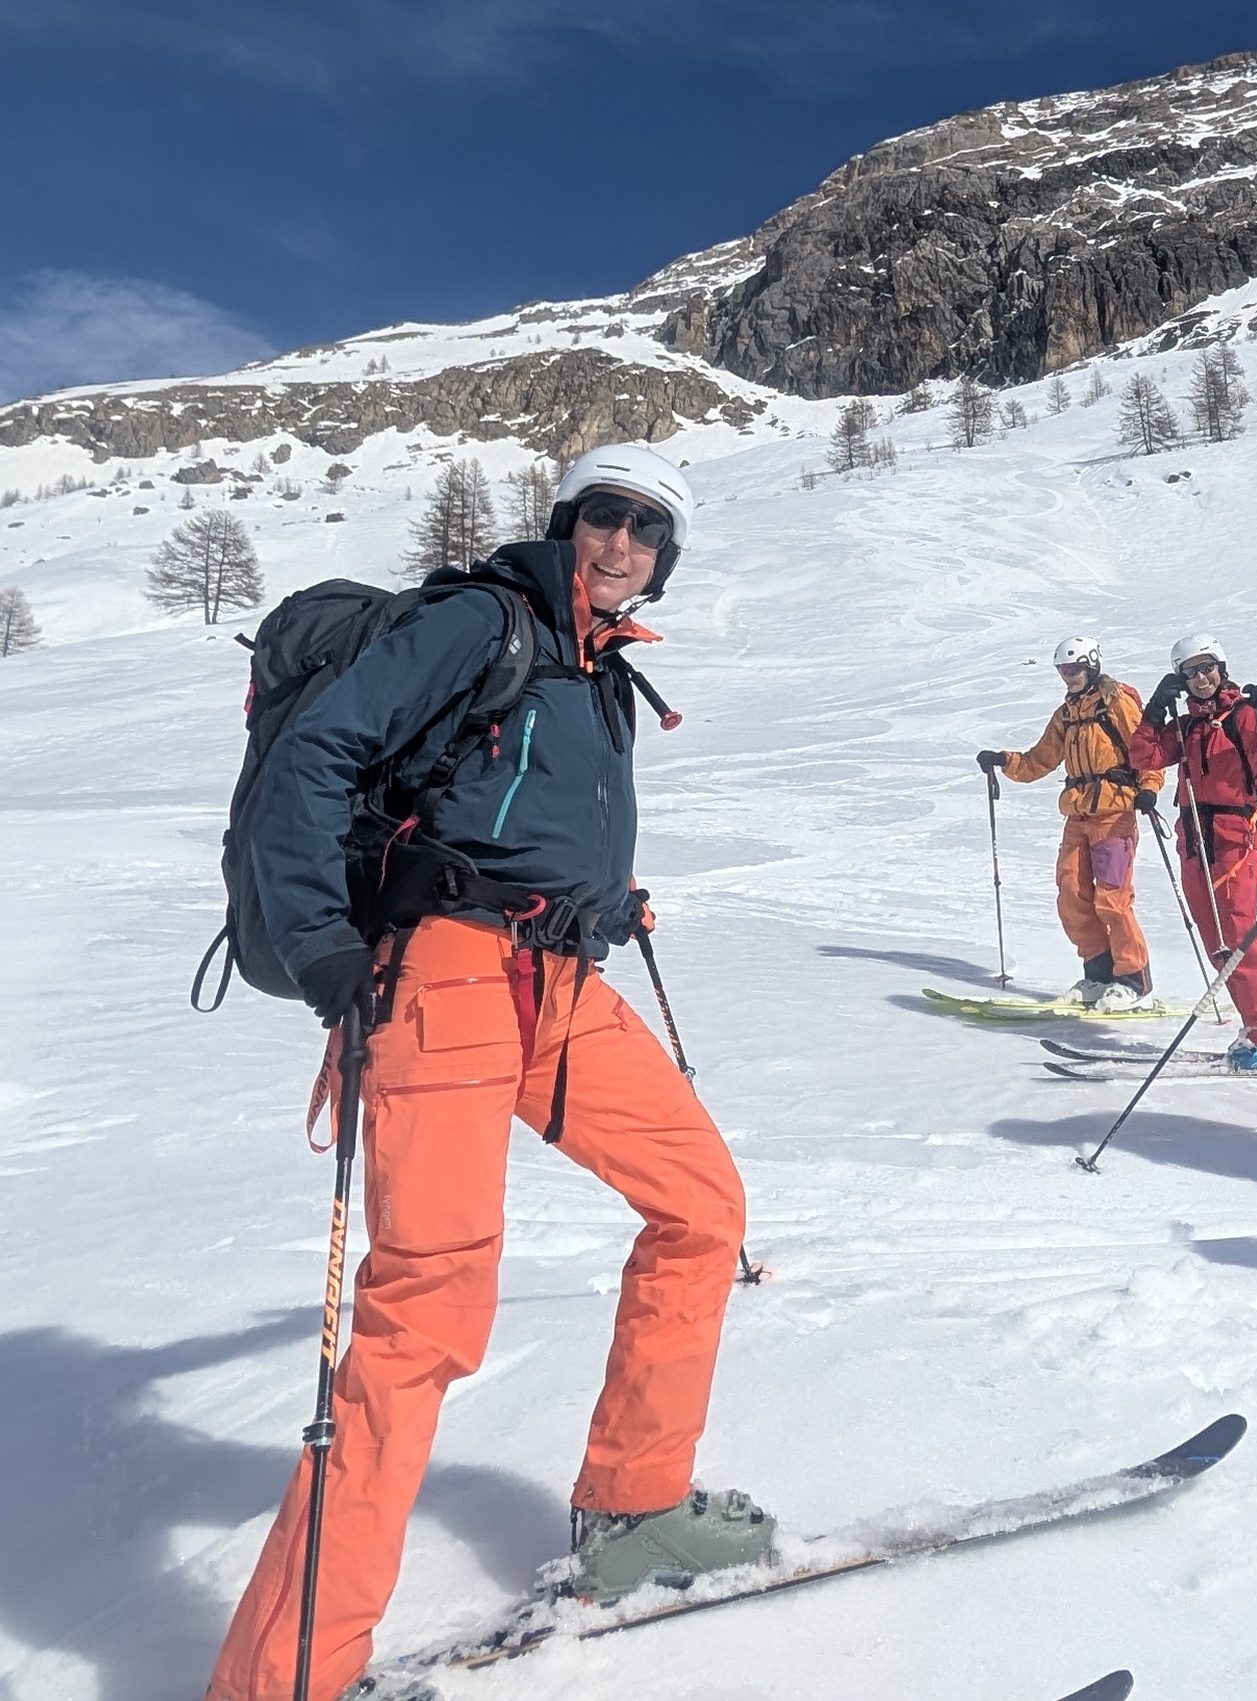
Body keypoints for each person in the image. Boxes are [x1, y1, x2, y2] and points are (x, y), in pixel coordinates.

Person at [207, 445, 767, 1701]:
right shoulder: (484, 622)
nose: (620, 542)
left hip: (556, 986)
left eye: (647, 530)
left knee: (701, 1204)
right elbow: (316, 764)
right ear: (567, 524)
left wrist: (599, 900)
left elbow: (503, 808)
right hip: (444, 983)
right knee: (426, 1317)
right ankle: (282, 1677)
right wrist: (318, 940)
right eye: (602, 517)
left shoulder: (595, 667)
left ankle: (634, 1513)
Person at [1129, 633, 1257, 1069]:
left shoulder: (1250, 714)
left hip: (1238, 838)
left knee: (1240, 941)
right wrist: (1154, 710)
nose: (1201, 677)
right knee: (1218, 944)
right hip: (1194, 838)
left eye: (1207, 666)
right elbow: (1144, 757)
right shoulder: (1188, 724)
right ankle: (1254, 1029)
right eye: (1190, 671)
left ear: (1222, 667)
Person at [979, 637, 1163, 1010]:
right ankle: (1098, 974)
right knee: (1072, 894)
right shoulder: (1066, 713)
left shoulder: (1117, 704)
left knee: (1112, 898)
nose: (1069, 676)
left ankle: (1132, 979)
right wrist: (1004, 760)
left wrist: (1149, 788)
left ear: (1092, 666)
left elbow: (1147, 751)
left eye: (1075, 669)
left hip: (1114, 814)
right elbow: (1040, 759)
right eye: (1063, 670)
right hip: (1078, 814)